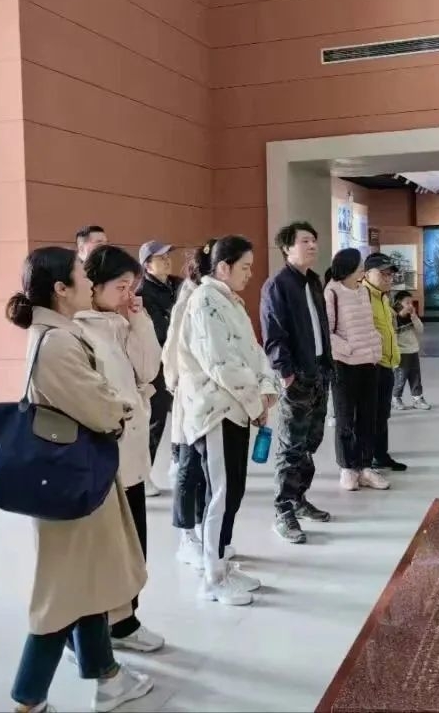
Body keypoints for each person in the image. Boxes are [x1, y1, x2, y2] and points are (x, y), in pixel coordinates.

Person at [5, 246, 152, 713]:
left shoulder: (57, 334)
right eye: (80, 276)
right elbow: (101, 409)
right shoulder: (59, 343)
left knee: (89, 580)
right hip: (71, 485)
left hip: (77, 479)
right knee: (61, 594)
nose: (89, 282)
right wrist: (123, 409)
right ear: (60, 289)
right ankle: (28, 698)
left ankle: (107, 676)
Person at [177, 237, 279, 605]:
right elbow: (221, 364)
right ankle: (212, 577)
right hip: (216, 413)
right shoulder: (204, 302)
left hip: (237, 408)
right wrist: (257, 402)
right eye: (245, 267)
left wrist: (266, 389)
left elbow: (253, 353)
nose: (250, 274)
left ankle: (221, 562)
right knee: (219, 494)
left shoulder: (229, 301)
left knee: (233, 490)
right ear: (223, 267)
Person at [74, 245, 165, 655]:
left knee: (135, 547)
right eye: (121, 286)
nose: (128, 294)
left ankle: (125, 621)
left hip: (130, 457)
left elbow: (148, 370)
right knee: (109, 553)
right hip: (105, 460)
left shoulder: (119, 323)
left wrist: (139, 320)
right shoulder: (79, 331)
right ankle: (106, 629)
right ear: (93, 285)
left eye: (132, 286)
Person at [260, 221, 333, 544]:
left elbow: (321, 327)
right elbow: (273, 333)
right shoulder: (278, 285)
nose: (313, 245)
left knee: (310, 442)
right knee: (291, 445)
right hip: (297, 376)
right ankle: (283, 509)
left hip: (319, 372)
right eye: (305, 241)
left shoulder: (313, 281)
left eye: (314, 240)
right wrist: (285, 373)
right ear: (287, 248)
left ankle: (299, 498)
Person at [324, 249, 389, 492]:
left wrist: (374, 347)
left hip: (369, 363)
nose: (363, 268)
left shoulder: (363, 291)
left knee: (367, 418)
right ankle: (347, 468)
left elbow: (369, 324)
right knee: (345, 419)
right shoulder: (332, 292)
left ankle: (365, 466)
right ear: (348, 266)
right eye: (360, 264)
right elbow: (327, 331)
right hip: (344, 365)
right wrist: (348, 349)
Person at [162, 258, 208, 570]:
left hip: (210, 401)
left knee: (205, 469)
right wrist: (180, 386)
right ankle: (186, 536)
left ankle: (203, 528)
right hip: (191, 398)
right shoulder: (188, 301)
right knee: (188, 468)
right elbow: (171, 353)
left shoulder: (216, 298)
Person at [138, 240, 184, 497]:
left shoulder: (178, 285)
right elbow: (161, 331)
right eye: (160, 257)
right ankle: (142, 475)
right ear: (147, 265)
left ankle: (181, 468)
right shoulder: (143, 293)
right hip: (158, 366)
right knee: (156, 421)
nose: (167, 260)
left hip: (181, 363)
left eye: (168, 256)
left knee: (184, 419)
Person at [363, 253, 407, 472]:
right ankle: (366, 459)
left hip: (387, 363)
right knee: (369, 415)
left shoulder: (383, 297)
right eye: (383, 274)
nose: (389, 278)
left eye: (390, 274)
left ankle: (380, 455)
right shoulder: (362, 296)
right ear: (367, 274)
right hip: (370, 365)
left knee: (382, 414)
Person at [391, 291, 430, 411]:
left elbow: (420, 330)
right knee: (400, 377)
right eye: (407, 303)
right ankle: (396, 398)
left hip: (413, 350)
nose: (410, 305)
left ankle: (418, 398)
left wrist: (414, 317)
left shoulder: (411, 317)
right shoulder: (393, 318)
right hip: (401, 352)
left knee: (415, 376)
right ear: (398, 303)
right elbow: (392, 336)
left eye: (411, 303)